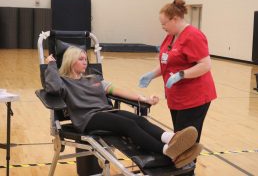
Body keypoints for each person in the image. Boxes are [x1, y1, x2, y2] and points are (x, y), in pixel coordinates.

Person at [44, 46, 202, 169]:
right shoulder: (64, 82)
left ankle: (172, 139)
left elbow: (118, 91)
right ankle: (167, 151)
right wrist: (50, 65)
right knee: (128, 125)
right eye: (81, 59)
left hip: (106, 112)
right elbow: (52, 88)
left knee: (138, 119)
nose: (85, 62)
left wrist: (143, 98)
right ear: (71, 61)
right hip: (88, 118)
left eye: (86, 58)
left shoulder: (93, 78)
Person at [139, 0, 217, 172]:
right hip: (177, 97)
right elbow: (167, 62)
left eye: (164, 24)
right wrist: (152, 74)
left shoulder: (194, 35)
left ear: (175, 19)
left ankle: (188, 171)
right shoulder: (171, 36)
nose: (163, 27)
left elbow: (205, 65)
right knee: (178, 137)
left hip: (194, 97)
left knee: (186, 141)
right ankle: (183, 169)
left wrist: (182, 75)